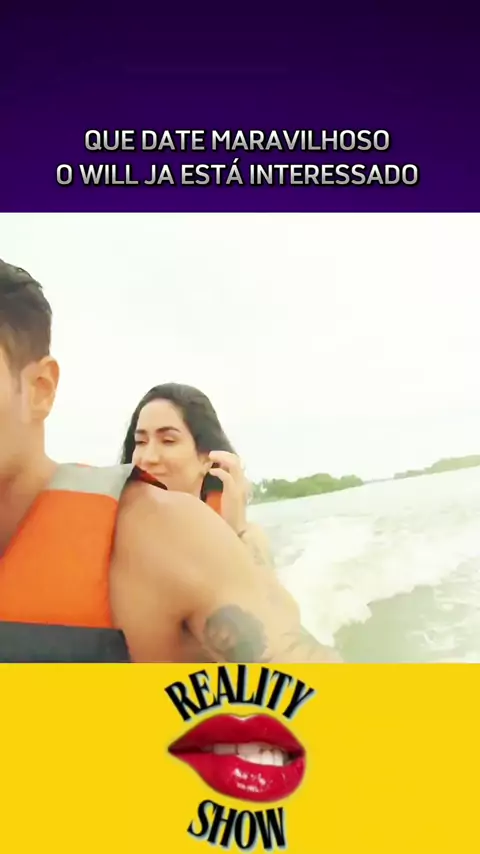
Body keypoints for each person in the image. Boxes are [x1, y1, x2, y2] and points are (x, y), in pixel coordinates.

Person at [0, 259, 341, 663]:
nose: (151, 455)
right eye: (141, 440)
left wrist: (233, 536)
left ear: (39, 389)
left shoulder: (173, 540)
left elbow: (317, 689)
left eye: (169, 439)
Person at [120, 383, 275, 578]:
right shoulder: (115, 536)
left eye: (168, 441)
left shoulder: (248, 540)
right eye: (141, 442)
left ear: (206, 459)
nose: (148, 458)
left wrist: (236, 532)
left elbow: (263, 597)